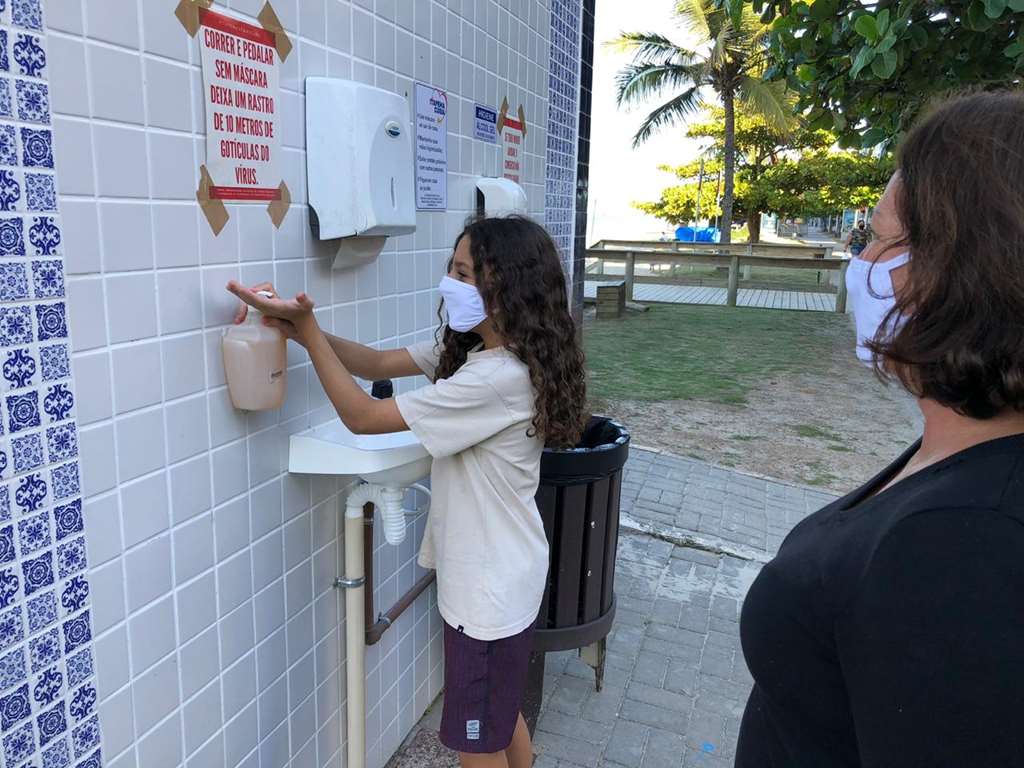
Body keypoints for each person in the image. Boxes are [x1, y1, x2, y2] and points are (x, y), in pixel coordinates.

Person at [227, 216, 587, 768]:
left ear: (505, 286)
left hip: (487, 589)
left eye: (463, 273)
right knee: (500, 711)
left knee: (476, 741)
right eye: (452, 268)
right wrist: (302, 329)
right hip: (507, 573)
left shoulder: (493, 378)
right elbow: (373, 363)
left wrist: (307, 331)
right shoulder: (489, 350)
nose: (449, 282)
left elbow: (363, 416)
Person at [736, 91, 1024, 767]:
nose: (860, 262)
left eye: (880, 239)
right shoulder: (960, 449)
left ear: (965, 271)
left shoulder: (965, 542)